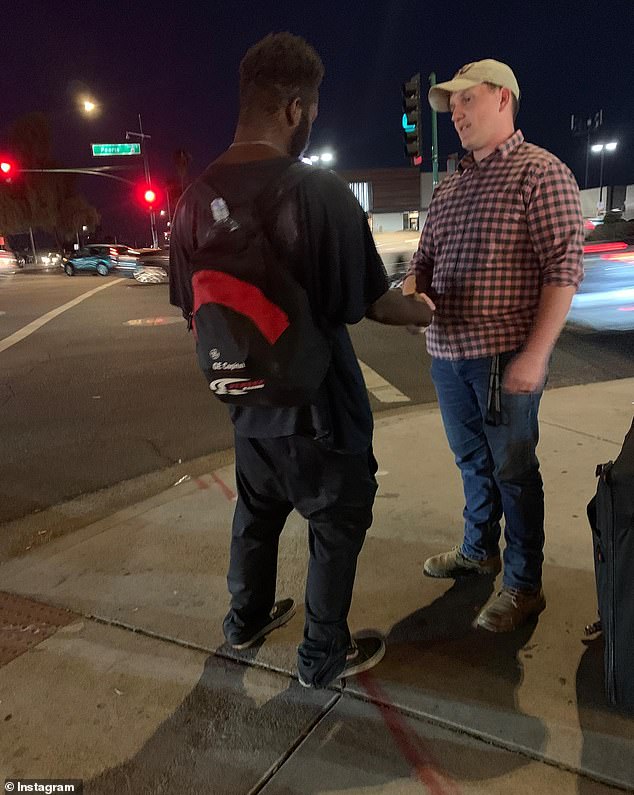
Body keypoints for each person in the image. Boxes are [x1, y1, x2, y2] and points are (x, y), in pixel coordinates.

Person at [169, 32, 433, 688]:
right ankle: (320, 651)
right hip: (321, 408)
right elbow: (374, 305)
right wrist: (428, 307)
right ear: (292, 107)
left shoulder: (192, 202)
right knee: (337, 519)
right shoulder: (319, 195)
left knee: (256, 512)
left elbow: (190, 309)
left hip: (247, 405)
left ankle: (245, 617)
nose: (312, 122)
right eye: (311, 112)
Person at [403, 59, 583, 632]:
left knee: (514, 471)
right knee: (471, 462)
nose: (455, 113)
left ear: (503, 99)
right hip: (448, 356)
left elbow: (563, 269)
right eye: (450, 106)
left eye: (466, 100)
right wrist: (412, 290)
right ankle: (478, 551)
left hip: (504, 356)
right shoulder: (452, 183)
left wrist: (536, 354)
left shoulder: (541, 173)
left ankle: (524, 584)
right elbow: (423, 259)